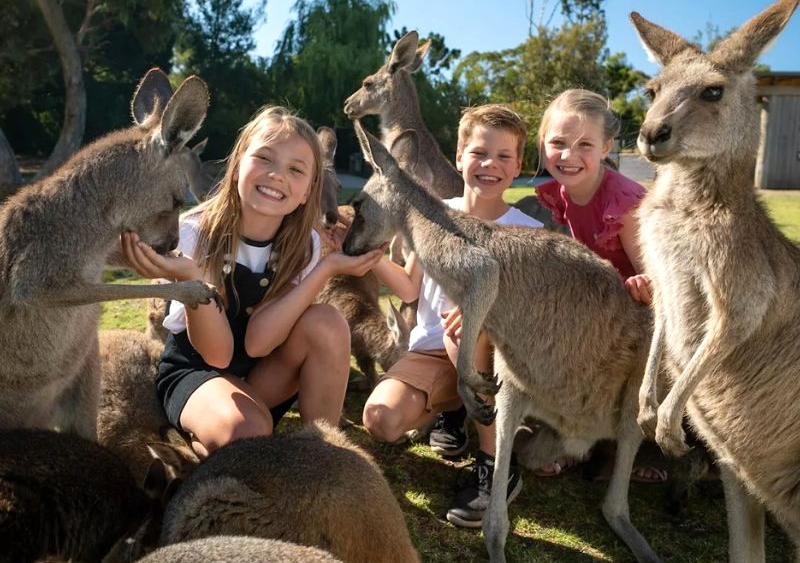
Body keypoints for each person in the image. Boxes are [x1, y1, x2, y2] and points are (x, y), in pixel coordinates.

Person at [122, 106, 384, 458]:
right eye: (264, 158)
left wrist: (326, 268)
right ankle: (194, 448)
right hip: (198, 373)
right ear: (236, 167)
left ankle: (320, 460)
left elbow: (260, 343)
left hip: (260, 374)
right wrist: (194, 280)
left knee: (328, 321)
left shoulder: (305, 245)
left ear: (308, 191)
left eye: (295, 169)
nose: (277, 175)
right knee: (249, 430)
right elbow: (217, 354)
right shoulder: (193, 233)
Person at [361, 104, 543, 528]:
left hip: (493, 356)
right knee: (381, 421)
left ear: (518, 166)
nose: (489, 165)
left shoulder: (526, 232)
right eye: (479, 153)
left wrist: (484, 308)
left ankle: (494, 466)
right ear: (459, 157)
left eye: (503, 156)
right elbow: (407, 288)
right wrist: (366, 252)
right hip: (431, 349)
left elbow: (531, 313)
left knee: (472, 328)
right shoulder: (433, 212)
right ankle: (453, 412)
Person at [533, 88, 665, 482]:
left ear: (607, 146)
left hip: (640, 305)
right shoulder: (563, 192)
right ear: (542, 143)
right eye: (557, 143)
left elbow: (657, 276)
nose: (567, 156)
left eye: (584, 145)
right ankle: (575, 437)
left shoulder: (623, 204)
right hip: (604, 298)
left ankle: (634, 447)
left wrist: (645, 282)